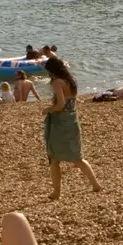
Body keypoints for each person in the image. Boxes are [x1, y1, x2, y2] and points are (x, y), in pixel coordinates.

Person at [42, 59, 101, 200]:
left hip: (60, 123)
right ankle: (95, 184)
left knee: (54, 158)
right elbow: (70, 101)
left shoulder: (58, 82)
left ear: (51, 70)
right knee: (77, 157)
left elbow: (61, 105)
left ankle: (57, 192)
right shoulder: (71, 80)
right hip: (72, 120)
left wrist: (48, 110)